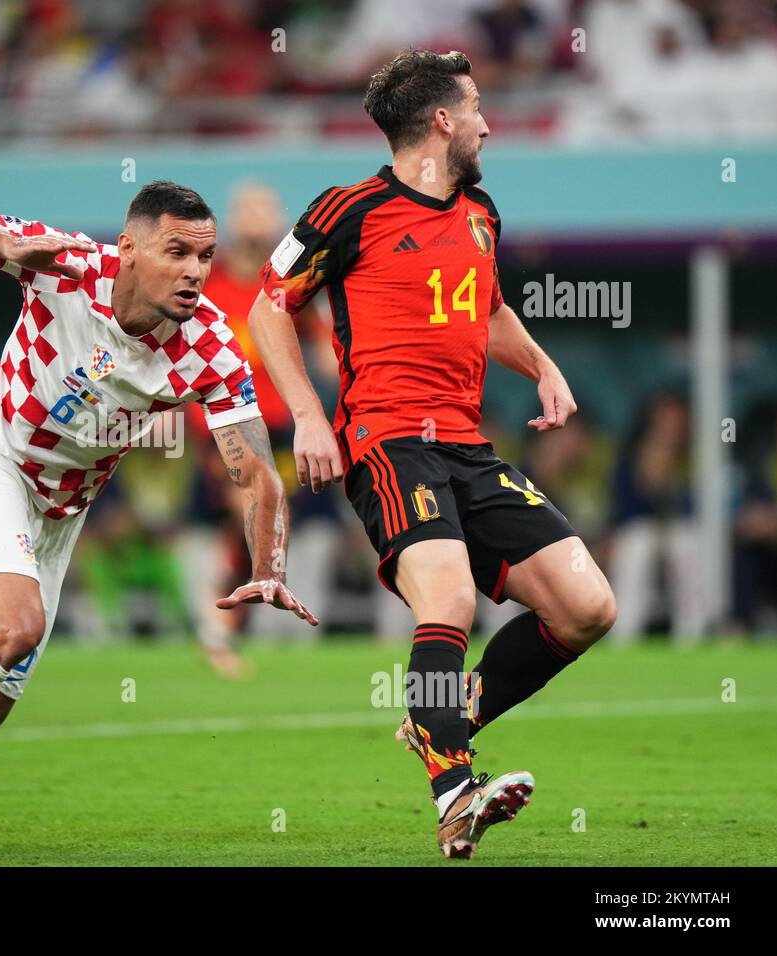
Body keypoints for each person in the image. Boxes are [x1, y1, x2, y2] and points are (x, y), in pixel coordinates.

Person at [0, 180, 317, 847]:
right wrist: (7, 245)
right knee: (13, 629)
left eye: (204, 255)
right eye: (177, 252)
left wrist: (268, 564)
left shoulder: (213, 346)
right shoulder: (68, 267)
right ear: (129, 249)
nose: (195, 271)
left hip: (56, 514)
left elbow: (253, 473)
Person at [247, 50, 617, 858]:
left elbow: (485, 309)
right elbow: (268, 306)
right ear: (442, 121)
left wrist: (545, 366)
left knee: (588, 608)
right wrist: (309, 418)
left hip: (468, 448)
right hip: (386, 439)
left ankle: (441, 718)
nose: (488, 121)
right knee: (446, 599)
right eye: (477, 106)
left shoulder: (480, 212)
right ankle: (455, 792)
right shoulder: (349, 208)